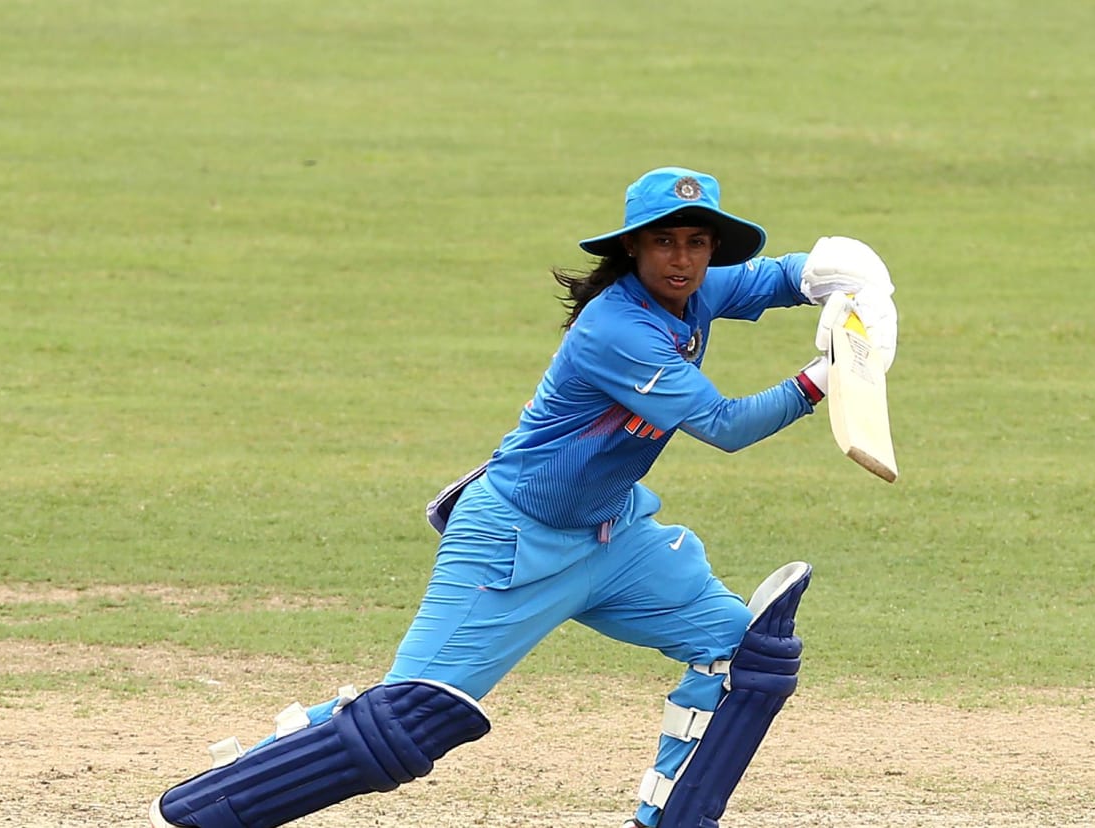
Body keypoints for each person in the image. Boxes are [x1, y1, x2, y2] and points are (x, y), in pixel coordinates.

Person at [149, 166, 898, 828]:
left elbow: (785, 276)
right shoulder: (618, 328)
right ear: (631, 249)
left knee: (748, 660)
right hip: (514, 539)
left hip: (616, 537)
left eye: (698, 242)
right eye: (666, 241)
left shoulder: (696, 291)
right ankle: (201, 810)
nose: (683, 258)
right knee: (413, 722)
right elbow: (725, 427)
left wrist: (854, 279)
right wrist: (826, 377)